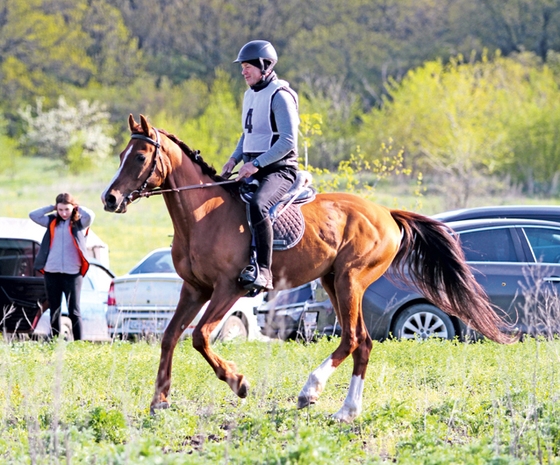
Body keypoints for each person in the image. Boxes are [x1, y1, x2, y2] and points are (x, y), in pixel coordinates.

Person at [221, 40, 300, 292]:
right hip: (251, 166)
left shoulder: (280, 96)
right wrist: (234, 158)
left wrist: (255, 164)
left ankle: (264, 271)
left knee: (258, 205)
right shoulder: (250, 94)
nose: (243, 72)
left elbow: (288, 141)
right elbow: (248, 134)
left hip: (279, 170)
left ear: (264, 66)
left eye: (248, 67)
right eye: (242, 67)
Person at [29, 193, 95, 340]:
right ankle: (55, 342)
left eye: (67, 209)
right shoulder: (52, 221)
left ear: (73, 208)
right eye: (60, 210)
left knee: (74, 311)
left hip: (73, 273)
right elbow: (33, 215)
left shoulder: (79, 222)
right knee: (54, 310)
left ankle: (79, 343)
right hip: (52, 272)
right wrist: (51, 207)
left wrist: (78, 208)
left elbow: (90, 216)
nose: (64, 213)